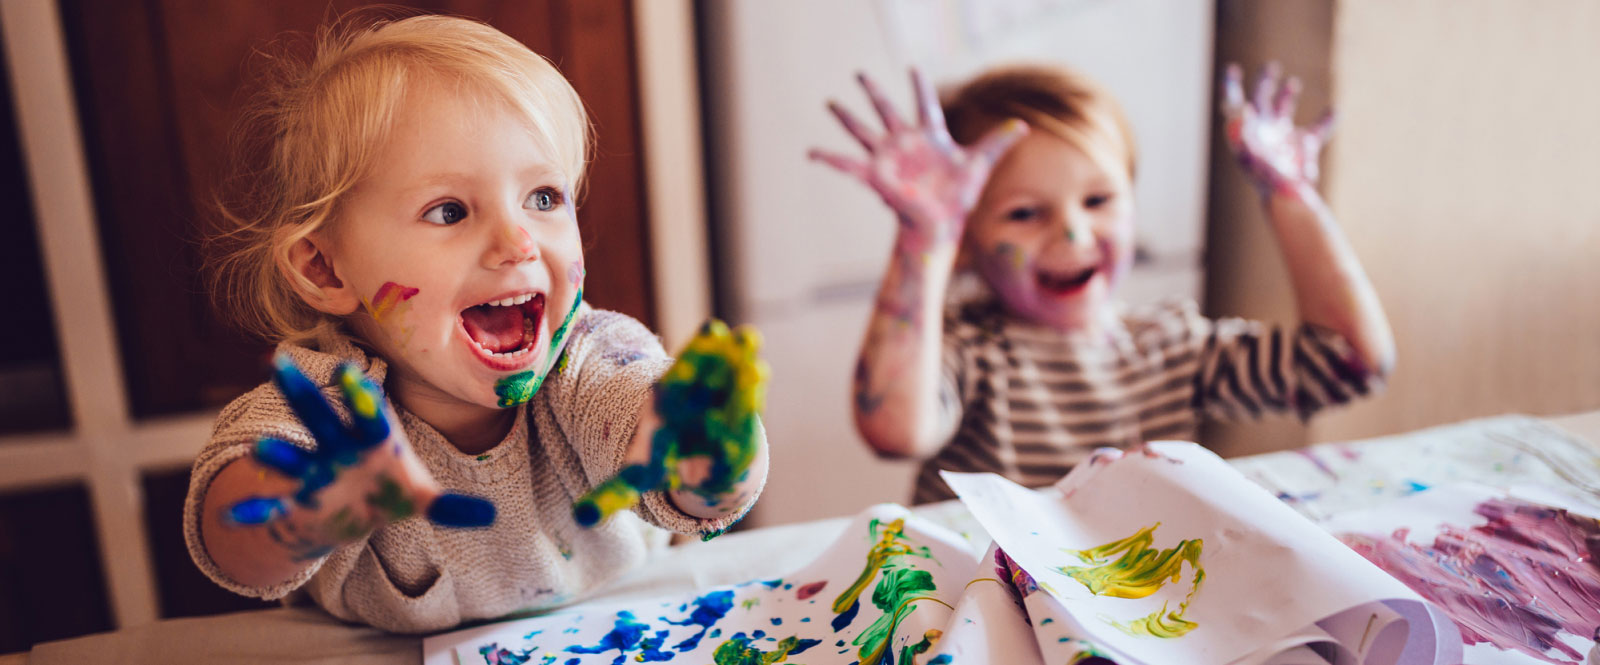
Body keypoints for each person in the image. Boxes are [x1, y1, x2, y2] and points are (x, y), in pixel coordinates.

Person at [185, 13, 766, 632]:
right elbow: (232, 547)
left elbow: (694, 481)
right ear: (326, 268)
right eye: (450, 210)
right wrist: (308, 510)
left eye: (543, 197)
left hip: (628, 628)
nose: (517, 243)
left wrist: (714, 455)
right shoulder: (331, 411)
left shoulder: (588, 359)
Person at [812, 63, 1393, 503]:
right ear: (965, 242)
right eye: (1023, 213)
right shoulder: (970, 355)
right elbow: (893, 430)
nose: (1072, 231)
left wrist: (1290, 197)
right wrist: (924, 238)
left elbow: (1349, 363)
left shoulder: (1172, 347)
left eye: (1098, 199)